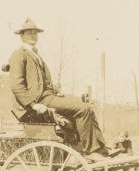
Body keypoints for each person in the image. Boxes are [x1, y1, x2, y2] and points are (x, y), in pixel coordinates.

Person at [7, 18, 115, 159]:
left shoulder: (36, 55)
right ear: (22, 36)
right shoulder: (19, 55)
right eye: (29, 33)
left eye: (35, 33)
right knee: (83, 108)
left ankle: (99, 147)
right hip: (39, 101)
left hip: (49, 96)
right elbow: (17, 85)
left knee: (87, 106)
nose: (33, 35)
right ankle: (91, 151)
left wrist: (56, 92)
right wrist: (34, 105)